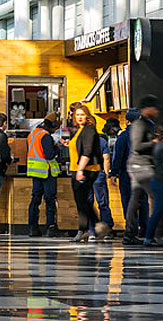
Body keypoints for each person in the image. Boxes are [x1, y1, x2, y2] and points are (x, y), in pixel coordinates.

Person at [122, 95, 159, 245]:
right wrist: (154, 142)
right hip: (142, 167)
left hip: (141, 166)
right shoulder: (139, 125)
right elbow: (137, 146)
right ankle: (150, 235)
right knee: (157, 197)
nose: (157, 111)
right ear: (147, 109)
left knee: (135, 200)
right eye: (154, 108)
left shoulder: (149, 124)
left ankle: (129, 234)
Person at [69, 104, 103, 243]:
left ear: (87, 116)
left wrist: (80, 170)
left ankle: (84, 230)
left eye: (82, 114)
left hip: (86, 169)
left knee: (82, 200)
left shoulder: (89, 130)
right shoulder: (79, 130)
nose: (80, 117)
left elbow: (87, 151)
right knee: (82, 201)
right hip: (77, 168)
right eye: (77, 115)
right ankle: (95, 227)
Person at [26, 115, 60, 237]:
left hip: (35, 172)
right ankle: (51, 227)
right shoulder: (45, 136)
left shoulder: (33, 134)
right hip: (46, 172)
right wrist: (57, 149)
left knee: (35, 200)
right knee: (50, 200)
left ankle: (32, 228)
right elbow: (49, 155)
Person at [110, 109, 140, 227]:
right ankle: (144, 228)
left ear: (127, 121)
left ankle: (131, 229)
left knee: (127, 201)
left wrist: (114, 172)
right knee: (142, 202)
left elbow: (118, 156)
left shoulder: (123, 136)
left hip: (127, 173)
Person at [94, 118, 119, 237]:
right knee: (102, 202)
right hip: (98, 174)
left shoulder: (80, 138)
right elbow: (107, 159)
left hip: (85, 174)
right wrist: (106, 173)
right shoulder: (102, 140)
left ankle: (90, 229)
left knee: (88, 203)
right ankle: (107, 227)